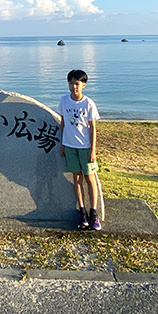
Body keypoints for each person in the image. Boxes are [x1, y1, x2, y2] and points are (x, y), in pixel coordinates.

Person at [58, 69, 102, 230]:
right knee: (76, 179)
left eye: (77, 84)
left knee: (90, 179)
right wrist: (63, 144)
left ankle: (94, 213)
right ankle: (82, 212)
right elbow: (63, 123)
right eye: (71, 83)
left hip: (85, 147)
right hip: (70, 146)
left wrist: (93, 149)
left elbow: (93, 128)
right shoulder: (64, 101)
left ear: (83, 85)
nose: (73, 87)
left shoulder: (88, 103)